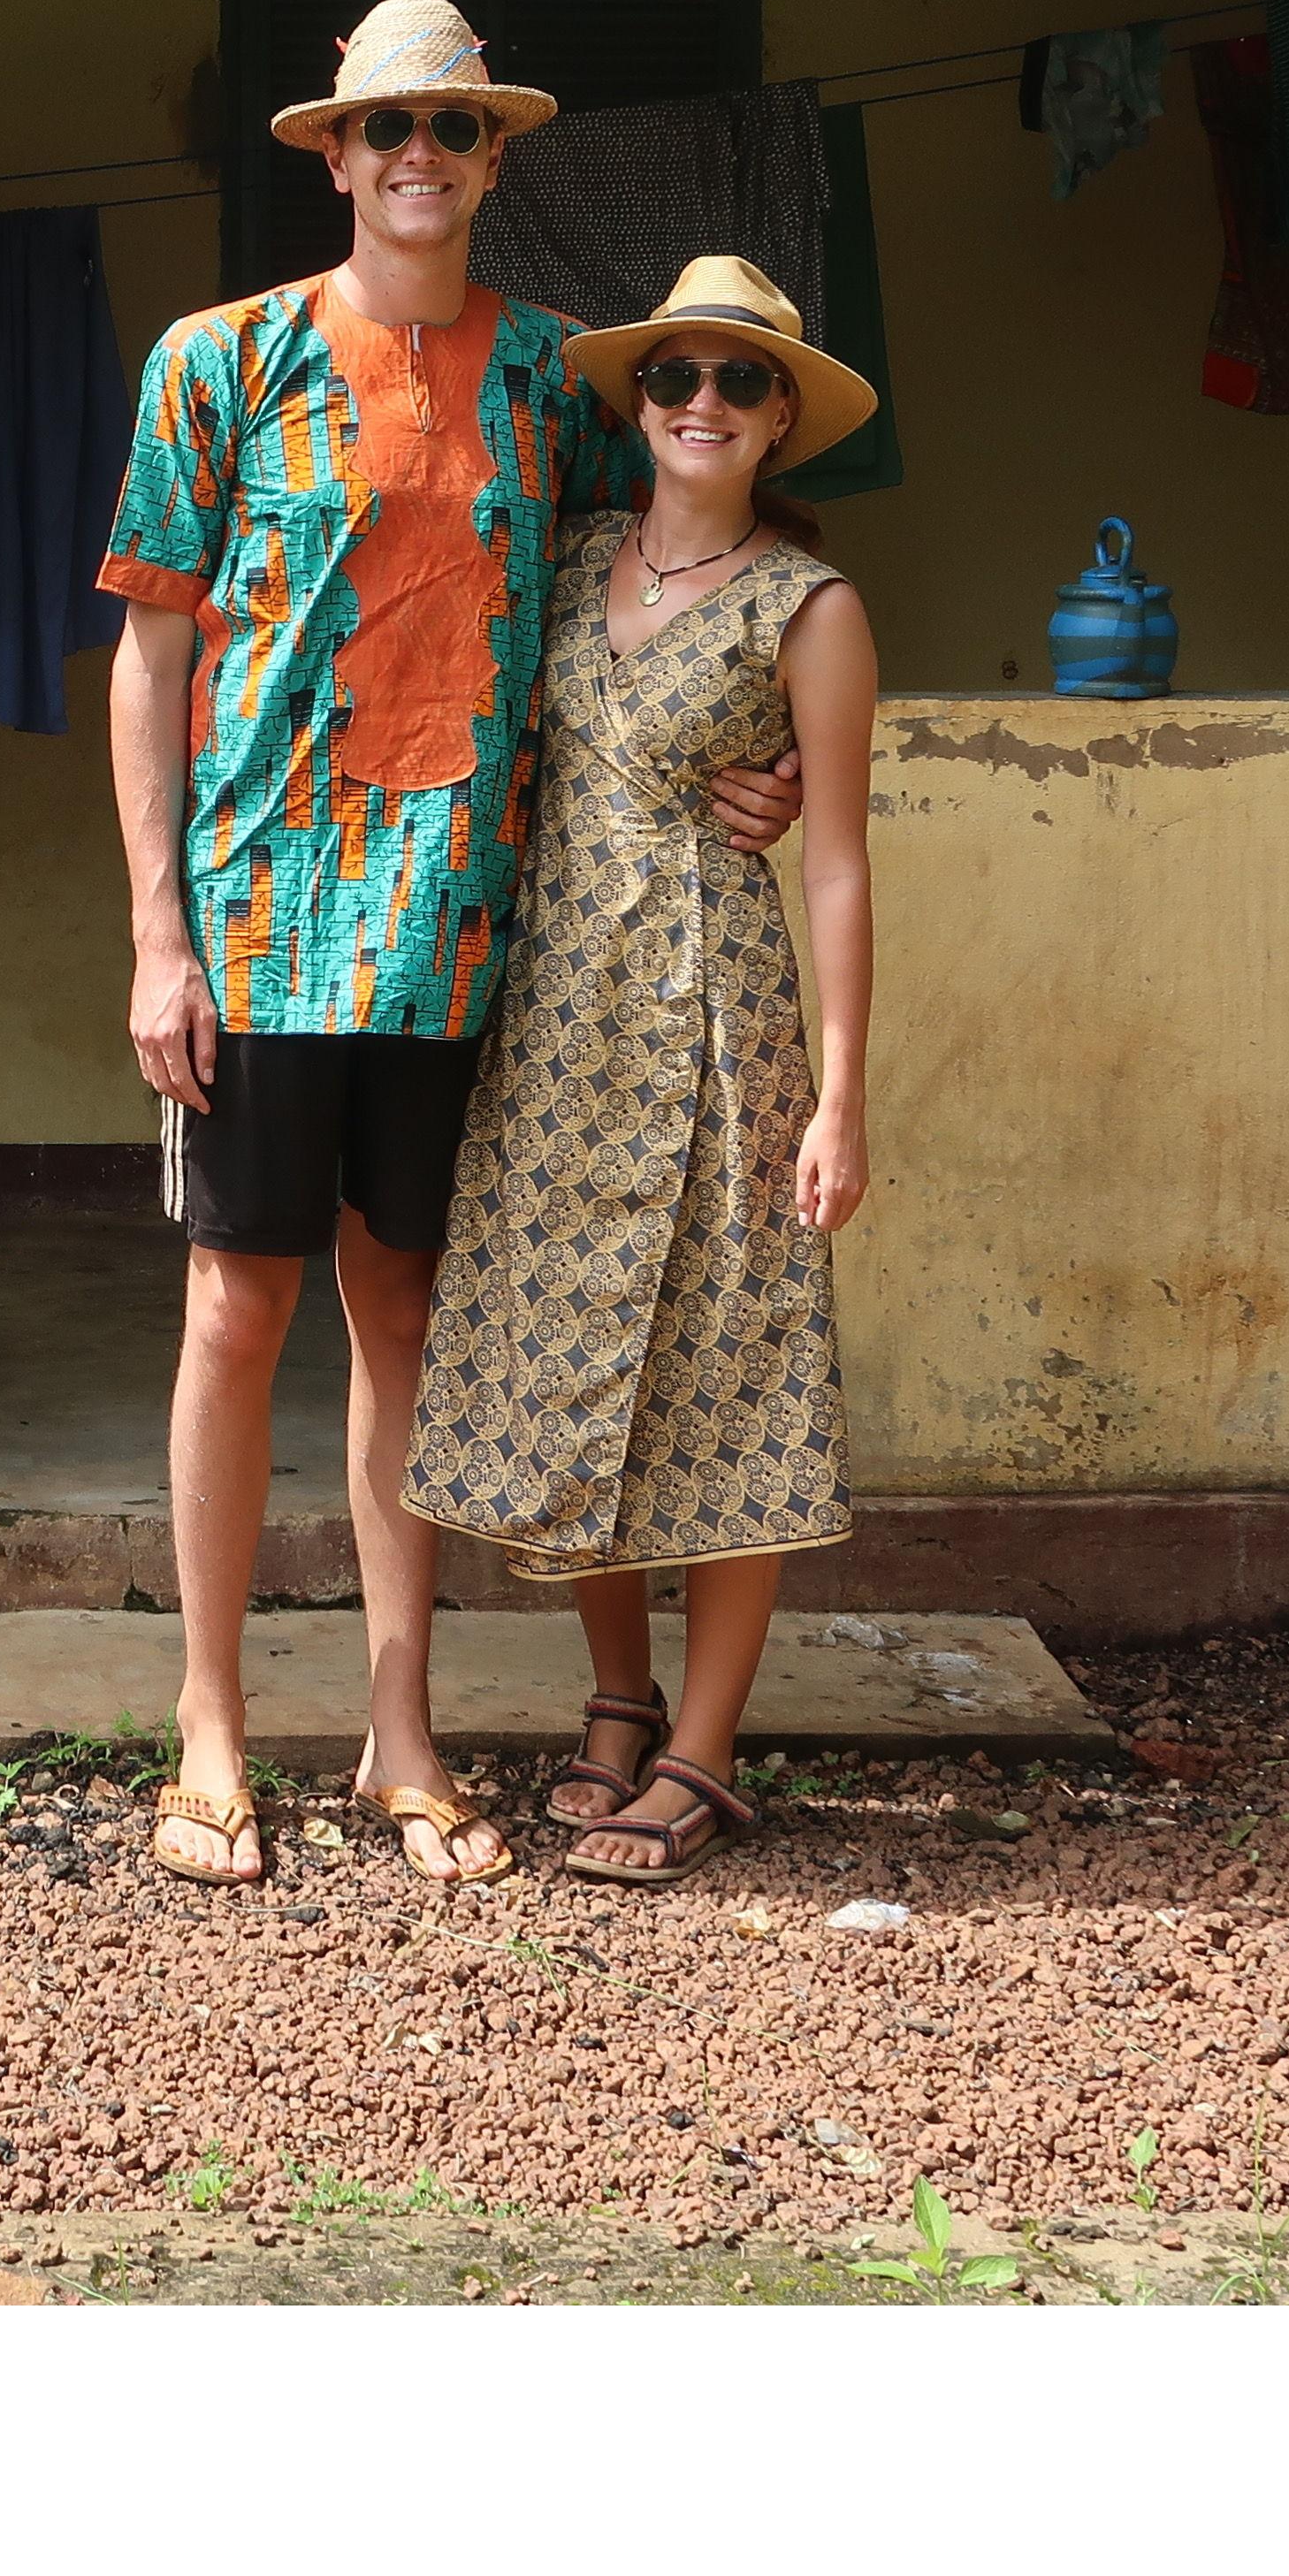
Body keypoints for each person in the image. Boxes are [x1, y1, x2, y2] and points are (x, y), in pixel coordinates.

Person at [99, 6, 797, 1888]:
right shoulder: (217, 362)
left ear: (493, 158)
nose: (419, 151)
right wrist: (158, 931)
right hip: (258, 928)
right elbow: (149, 648)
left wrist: (760, 747)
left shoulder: (557, 391)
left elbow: (644, 594)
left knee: (399, 1310)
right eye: (385, 123)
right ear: (333, 154)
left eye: (454, 126)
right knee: (234, 1310)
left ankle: (396, 1731)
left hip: (459, 938)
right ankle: (210, 1722)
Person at [403, 256, 883, 1882]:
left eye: (740, 384)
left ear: (781, 422)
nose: (700, 402)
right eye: (675, 374)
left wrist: (840, 1093)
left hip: (711, 1010)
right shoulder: (577, 556)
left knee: (727, 1365)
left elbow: (834, 860)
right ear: (640, 401)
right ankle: (616, 1695)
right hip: (552, 1013)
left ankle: (703, 1748)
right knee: (578, 1350)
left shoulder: (807, 606)